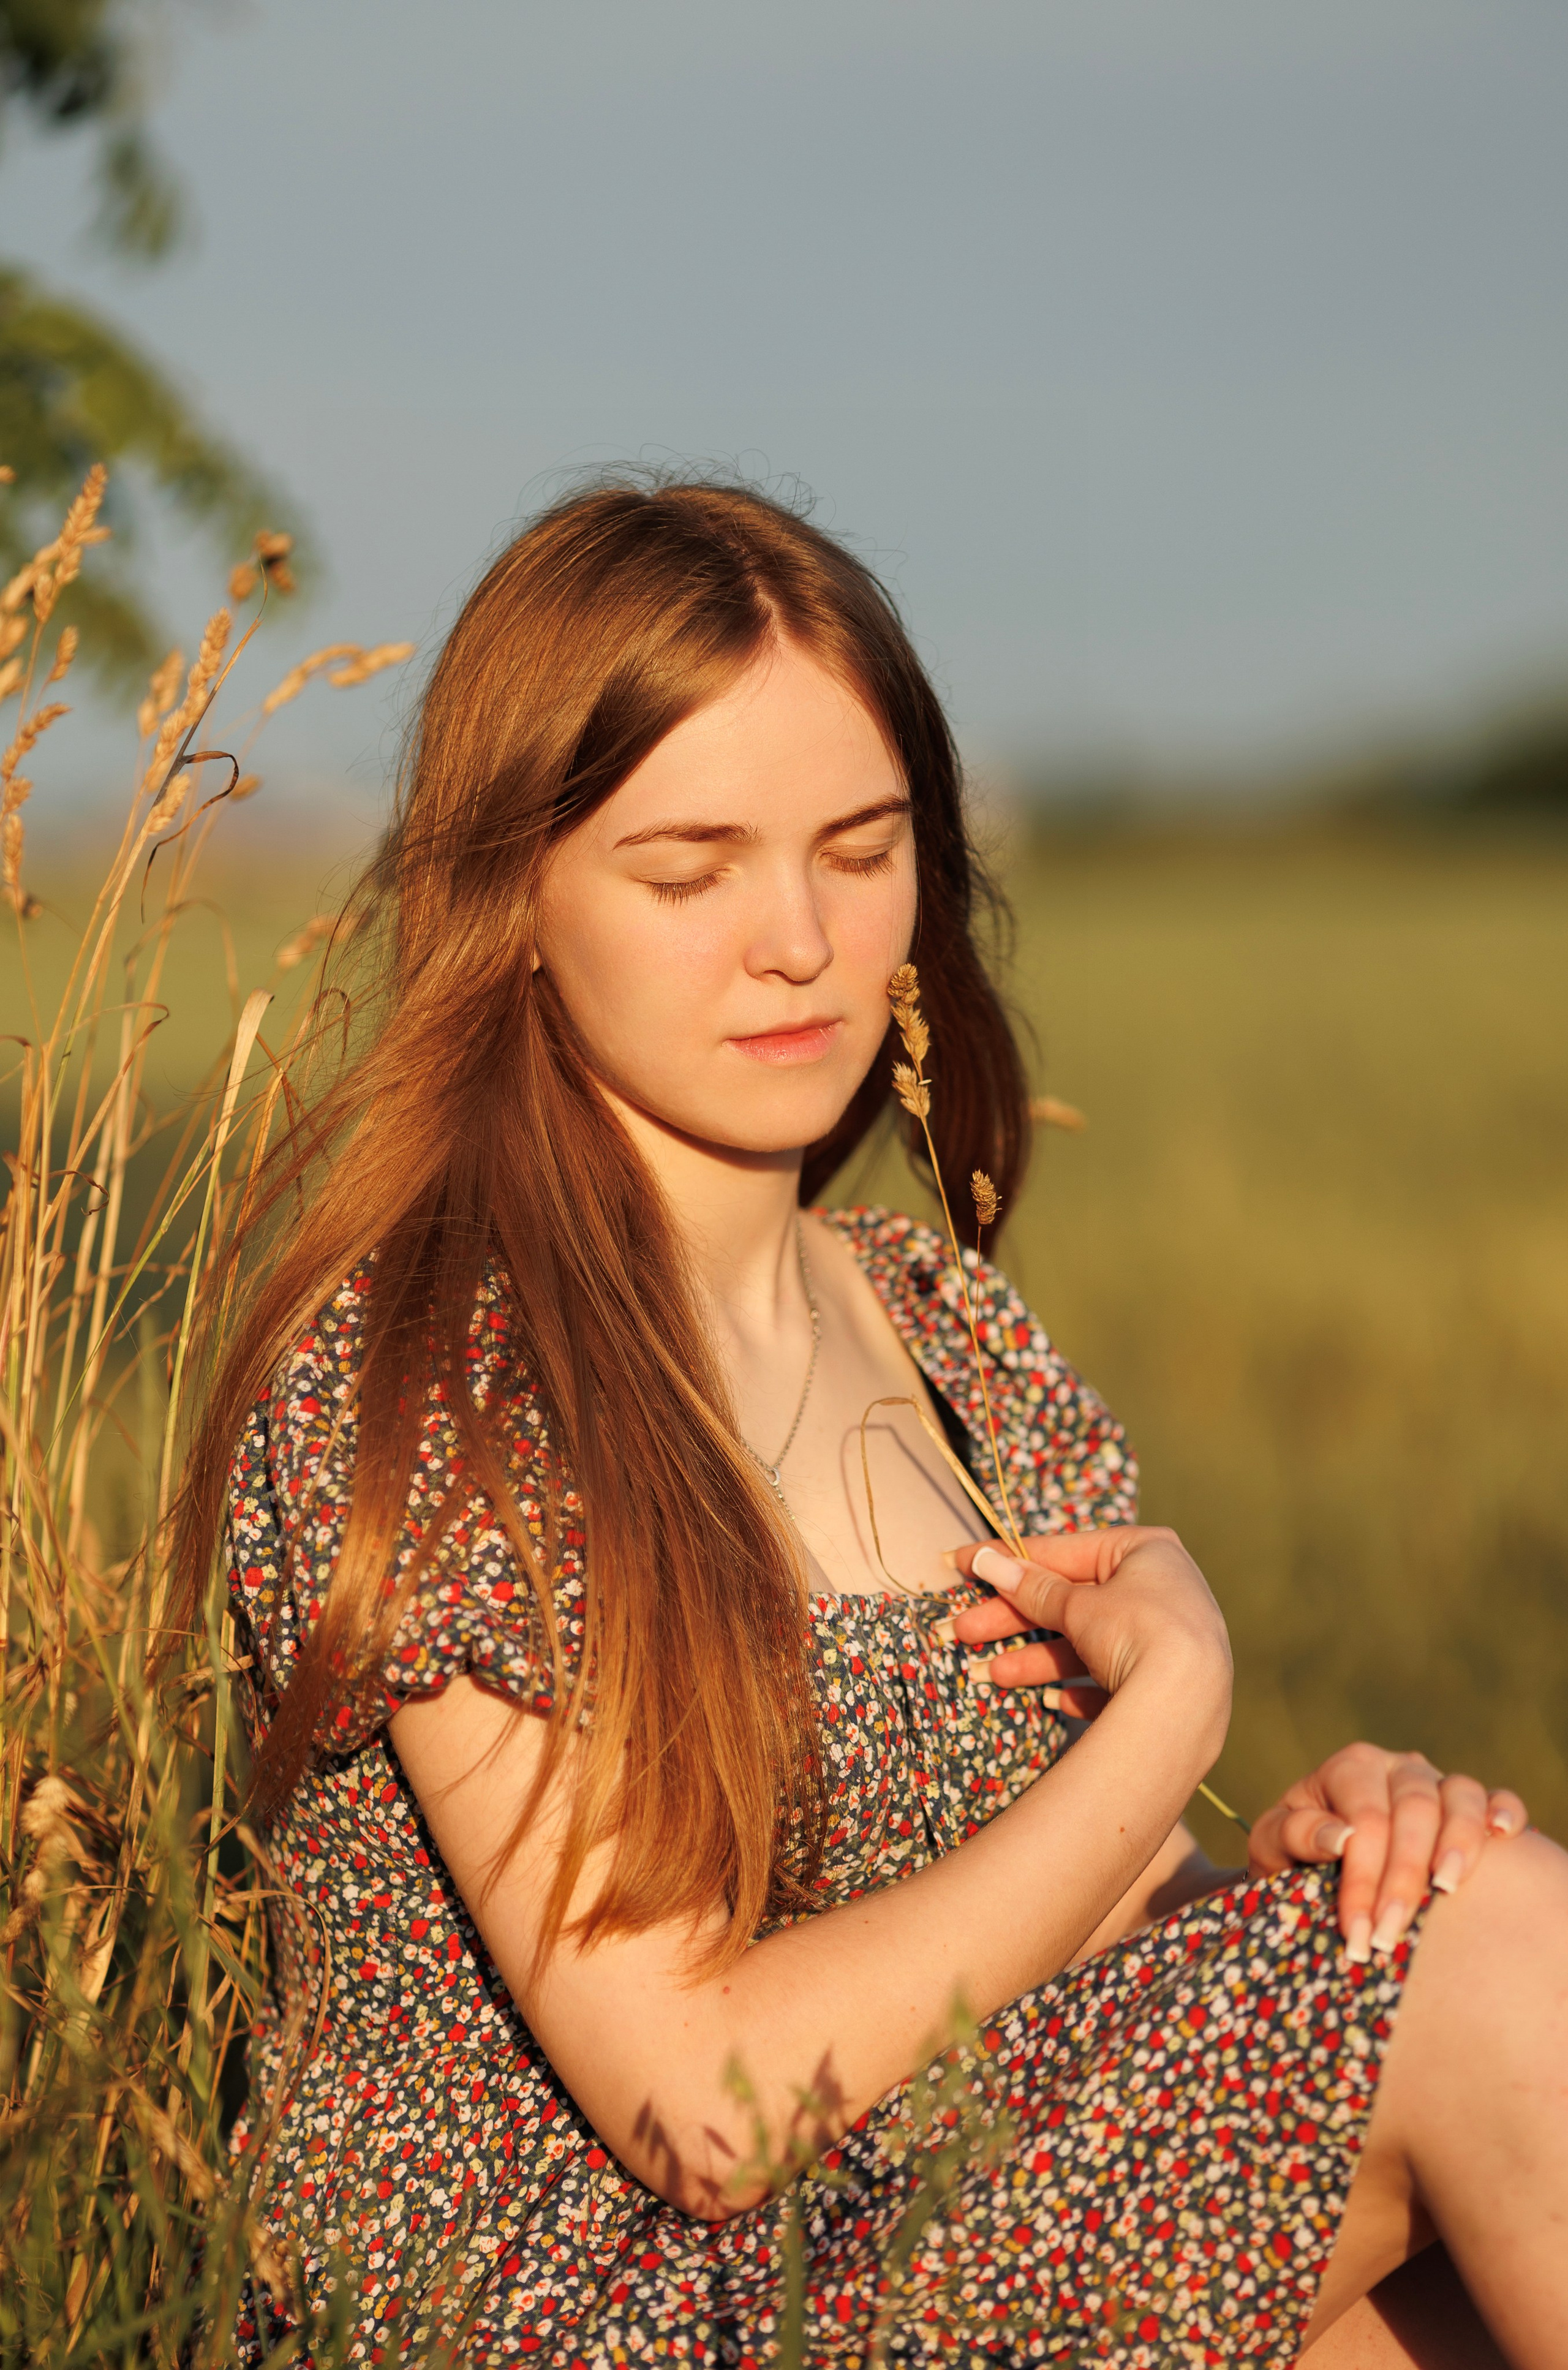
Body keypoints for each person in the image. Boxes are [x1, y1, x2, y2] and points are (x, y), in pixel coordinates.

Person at [179, 479, 1567, 2369]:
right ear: (515, 896)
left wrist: (1307, 1877)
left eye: (860, 850)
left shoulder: (950, 1336)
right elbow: (696, 2104)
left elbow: (1072, 1945)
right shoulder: (425, 1378)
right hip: (584, 2316)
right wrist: (1166, 1720)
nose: (802, 942)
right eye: (693, 872)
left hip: (926, 2215)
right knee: (1482, 1980)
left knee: (1463, 1961)